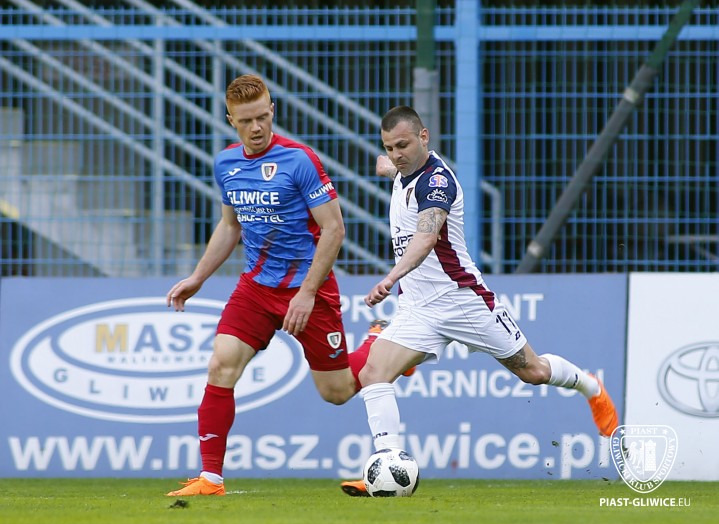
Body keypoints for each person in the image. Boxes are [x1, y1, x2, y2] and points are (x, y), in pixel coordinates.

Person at [340, 106, 619, 497]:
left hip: (462, 301)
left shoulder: (437, 182)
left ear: (424, 137)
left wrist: (390, 278)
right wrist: (387, 166)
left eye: (403, 145)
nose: (397, 154)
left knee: (533, 371)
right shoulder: (403, 170)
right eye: (389, 146)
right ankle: (388, 465)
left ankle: (591, 388)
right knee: (373, 373)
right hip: (419, 307)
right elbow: (388, 166)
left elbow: (425, 239)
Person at [165, 73, 374, 496]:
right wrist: (198, 277)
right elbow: (230, 226)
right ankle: (210, 479)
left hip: (309, 287)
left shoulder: (300, 160)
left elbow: (334, 229)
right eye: (246, 121)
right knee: (221, 364)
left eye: (262, 117)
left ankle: (378, 342)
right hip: (257, 287)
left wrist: (308, 293)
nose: (256, 127)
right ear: (231, 120)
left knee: (336, 392)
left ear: (272, 110)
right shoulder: (226, 164)